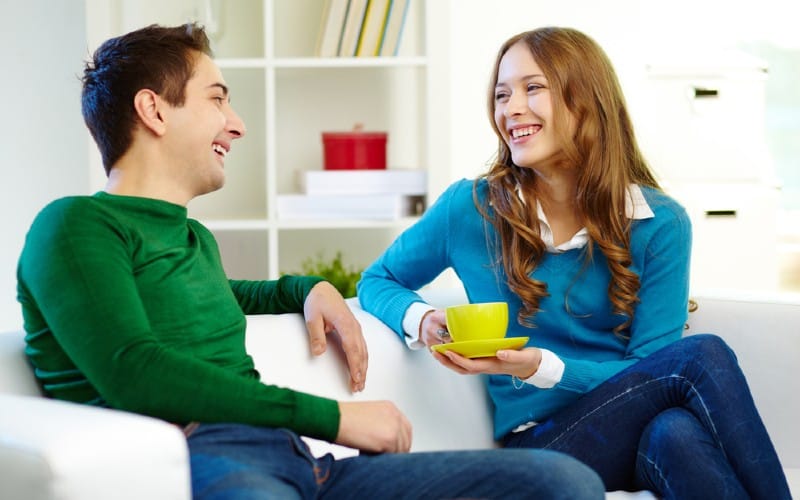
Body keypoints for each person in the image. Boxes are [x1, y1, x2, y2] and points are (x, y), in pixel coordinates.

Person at [16, 23, 606, 499]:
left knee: (562, 481)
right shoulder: (73, 227)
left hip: (307, 465)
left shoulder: (191, 241)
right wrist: (336, 418)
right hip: (212, 461)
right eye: (218, 99)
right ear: (154, 109)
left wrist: (308, 288)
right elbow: (134, 370)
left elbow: (233, 296)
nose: (237, 124)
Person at [357, 26, 791, 499]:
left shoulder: (660, 223)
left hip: (636, 429)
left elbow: (650, 368)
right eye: (502, 94)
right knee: (701, 356)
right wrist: (422, 320)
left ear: (586, 100)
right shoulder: (471, 207)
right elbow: (378, 279)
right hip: (541, 447)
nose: (510, 109)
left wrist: (540, 365)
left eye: (533, 88)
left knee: (676, 434)